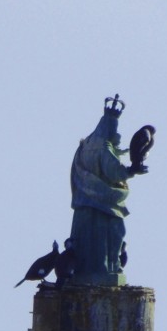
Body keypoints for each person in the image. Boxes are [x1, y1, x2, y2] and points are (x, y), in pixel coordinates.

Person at [68, 96, 147, 285]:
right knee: (112, 235)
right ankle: (106, 268)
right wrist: (130, 171)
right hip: (104, 204)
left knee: (85, 240)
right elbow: (112, 168)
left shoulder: (85, 144)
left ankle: (86, 269)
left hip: (83, 202)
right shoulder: (102, 146)